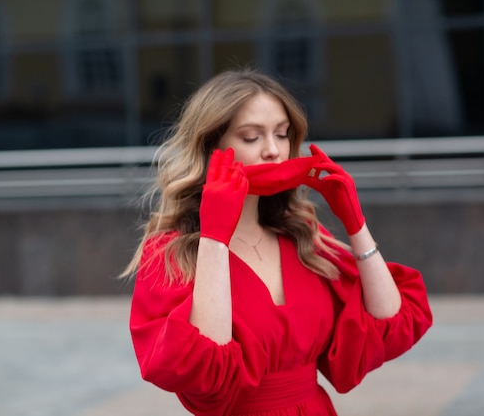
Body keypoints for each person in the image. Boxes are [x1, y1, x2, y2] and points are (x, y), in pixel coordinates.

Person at [122, 68, 433, 416]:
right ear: (212, 148)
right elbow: (206, 370)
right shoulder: (171, 251)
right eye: (252, 137)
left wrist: (356, 224)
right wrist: (213, 236)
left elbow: (393, 323)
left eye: (282, 135)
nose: (273, 150)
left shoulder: (303, 236)